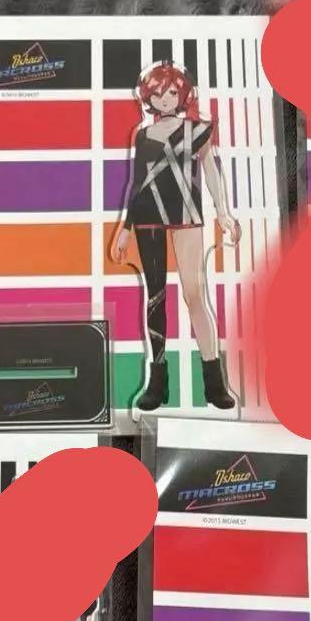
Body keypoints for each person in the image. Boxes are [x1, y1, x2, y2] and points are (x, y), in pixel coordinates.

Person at [110, 61, 240, 413]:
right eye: (158, 93)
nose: (165, 98)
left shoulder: (197, 130)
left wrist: (224, 212)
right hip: (147, 218)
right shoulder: (142, 135)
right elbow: (137, 184)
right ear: (148, 97)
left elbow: (212, 171)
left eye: (171, 92)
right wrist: (124, 228)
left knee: (194, 293)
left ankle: (214, 381)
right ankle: (157, 381)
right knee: (154, 297)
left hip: (187, 215)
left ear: (181, 94)